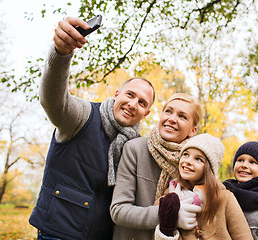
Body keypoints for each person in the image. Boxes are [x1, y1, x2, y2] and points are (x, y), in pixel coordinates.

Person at [29, 17, 155, 240]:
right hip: (57, 233)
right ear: (117, 94)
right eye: (130, 95)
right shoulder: (83, 116)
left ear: (146, 113)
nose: (133, 104)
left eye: (142, 103)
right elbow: (53, 100)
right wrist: (60, 53)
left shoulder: (137, 146)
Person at [110, 93, 203, 239]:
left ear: (193, 130)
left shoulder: (196, 164)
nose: (172, 119)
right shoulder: (135, 149)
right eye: (168, 111)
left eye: (182, 116)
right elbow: (118, 211)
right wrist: (168, 214)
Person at [154, 133, 253, 240]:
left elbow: (243, 236)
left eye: (198, 159)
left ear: (209, 169)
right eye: (186, 154)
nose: (188, 161)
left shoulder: (225, 198)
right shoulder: (168, 198)